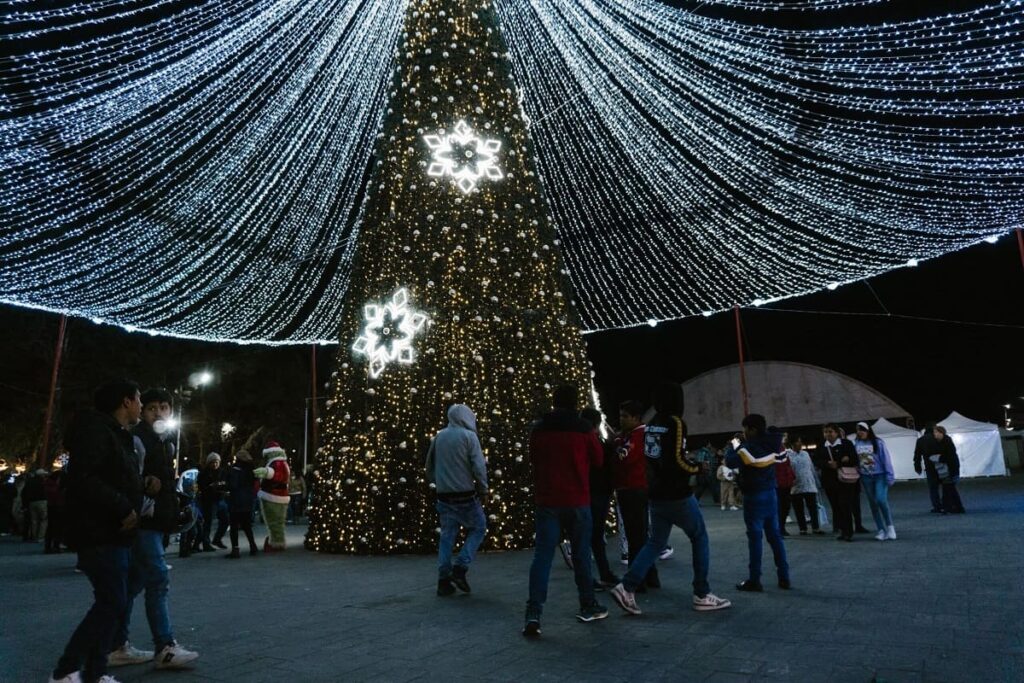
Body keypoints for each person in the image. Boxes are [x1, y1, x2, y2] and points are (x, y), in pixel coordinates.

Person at [49, 380, 143, 683]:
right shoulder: (97, 431)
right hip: (99, 531)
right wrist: (122, 507)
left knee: (115, 599)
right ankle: (66, 669)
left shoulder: (117, 435)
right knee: (112, 601)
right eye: (139, 400)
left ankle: (95, 672)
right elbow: (84, 478)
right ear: (126, 402)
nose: (140, 406)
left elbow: (119, 477)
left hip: (115, 531)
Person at [610, 382, 731, 616]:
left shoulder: (651, 424)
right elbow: (676, 460)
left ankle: (626, 586)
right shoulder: (674, 422)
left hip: (655, 493)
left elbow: (653, 459)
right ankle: (702, 593)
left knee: (655, 542)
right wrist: (697, 468)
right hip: (676, 494)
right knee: (699, 537)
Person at [110, 387, 198, 670]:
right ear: (142, 411)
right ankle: (165, 646)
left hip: (157, 521)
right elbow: (126, 476)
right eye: (151, 408)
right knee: (158, 578)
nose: (158, 413)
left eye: (163, 407)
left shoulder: (166, 443)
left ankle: (116, 645)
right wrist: (144, 487)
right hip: (143, 521)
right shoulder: (138, 439)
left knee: (133, 584)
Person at [523, 384, 608, 637]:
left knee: (543, 557)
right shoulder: (583, 430)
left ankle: (534, 612)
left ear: (554, 401)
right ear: (575, 403)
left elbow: (533, 459)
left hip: (548, 501)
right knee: (582, 556)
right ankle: (587, 604)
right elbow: (599, 460)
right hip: (578, 500)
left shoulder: (539, 429)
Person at [425, 404, 488, 596]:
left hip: (444, 496)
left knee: (447, 535)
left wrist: (438, 481)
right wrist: (483, 488)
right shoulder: (469, 437)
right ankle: (460, 567)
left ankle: (443, 579)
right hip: (465, 494)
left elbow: (429, 465)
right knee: (479, 527)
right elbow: (478, 466)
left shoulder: (439, 436)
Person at [726, 414, 790, 592]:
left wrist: (733, 445)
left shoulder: (749, 447)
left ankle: (755, 579)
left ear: (753, 429)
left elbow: (730, 461)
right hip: (771, 493)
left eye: (746, 428)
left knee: (755, 538)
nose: (744, 432)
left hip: (753, 496)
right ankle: (784, 577)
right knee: (775, 537)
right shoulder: (772, 443)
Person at [612, 400, 658, 591]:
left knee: (635, 537)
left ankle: (636, 580)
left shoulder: (638, 435)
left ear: (636, 418)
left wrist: (615, 444)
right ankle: (650, 577)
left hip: (633, 489)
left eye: (625, 416)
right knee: (640, 535)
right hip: (634, 489)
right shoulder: (633, 434)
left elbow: (624, 458)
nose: (621, 420)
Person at [581, 407, 619, 590]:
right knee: (595, 535)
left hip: (584, 492)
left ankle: (601, 574)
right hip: (599, 492)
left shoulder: (578, 441)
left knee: (590, 535)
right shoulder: (596, 442)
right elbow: (602, 460)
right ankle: (600, 575)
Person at [813, 423, 858, 542]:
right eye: (826, 432)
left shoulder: (846, 444)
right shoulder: (821, 446)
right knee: (836, 507)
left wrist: (839, 463)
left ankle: (848, 532)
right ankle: (842, 530)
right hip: (829, 481)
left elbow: (854, 459)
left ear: (837, 432)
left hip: (845, 480)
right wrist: (827, 464)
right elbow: (816, 461)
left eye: (830, 431)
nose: (828, 434)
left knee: (845, 505)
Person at [853, 422, 896, 541]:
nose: (860, 432)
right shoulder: (856, 443)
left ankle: (890, 527)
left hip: (880, 475)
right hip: (866, 476)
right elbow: (856, 459)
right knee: (873, 503)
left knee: (881, 500)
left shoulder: (878, 442)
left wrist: (890, 475)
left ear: (868, 431)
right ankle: (881, 529)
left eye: (862, 430)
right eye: (858, 430)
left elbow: (886, 459)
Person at [255, 441, 290, 551]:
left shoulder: (277, 463)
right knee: (276, 522)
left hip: (273, 495)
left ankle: (276, 542)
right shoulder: (281, 462)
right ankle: (277, 541)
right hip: (276, 495)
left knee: (274, 521)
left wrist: (266, 472)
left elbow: (277, 475)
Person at [225, 449, 260, 558]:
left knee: (234, 526)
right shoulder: (251, 471)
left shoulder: (235, 470)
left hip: (236, 501)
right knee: (247, 526)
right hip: (248, 501)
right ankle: (252, 546)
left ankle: (235, 549)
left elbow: (233, 485)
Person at [788, 436, 823, 535]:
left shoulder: (806, 454)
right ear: (792, 444)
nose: (799, 444)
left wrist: (817, 482)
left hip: (809, 483)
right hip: (795, 485)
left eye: (800, 442)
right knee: (799, 509)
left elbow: (811, 468)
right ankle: (802, 528)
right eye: (797, 442)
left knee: (813, 507)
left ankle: (815, 527)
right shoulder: (788, 455)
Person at [196, 453, 227, 551]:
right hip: (209, 500)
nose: (215, 464)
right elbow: (202, 487)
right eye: (213, 462)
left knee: (226, 520)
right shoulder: (204, 473)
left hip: (220, 499)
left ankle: (217, 539)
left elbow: (225, 483)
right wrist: (211, 486)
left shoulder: (222, 472)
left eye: (216, 462)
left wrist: (223, 487)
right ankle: (206, 543)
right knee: (208, 522)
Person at [932, 426, 965, 514]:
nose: (934, 434)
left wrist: (938, 458)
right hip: (948, 469)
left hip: (949, 469)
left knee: (948, 489)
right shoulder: (944, 442)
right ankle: (956, 507)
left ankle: (949, 508)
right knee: (950, 489)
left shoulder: (946, 442)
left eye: (935, 432)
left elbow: (949, 456)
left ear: (941, 433)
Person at [913, 424, 944, 513]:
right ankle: (946, 504)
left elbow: (917, 455)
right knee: (946, 486)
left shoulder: (920, 440)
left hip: (930, 467)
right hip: (942, 465)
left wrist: (917, 467)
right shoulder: (938, 438)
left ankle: (937, 506)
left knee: (933, 488)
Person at [44, 468, 67, 553]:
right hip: (57, 506)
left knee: (52, 527)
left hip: (52, 506)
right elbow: (56, 495)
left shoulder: (48, 484)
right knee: (57, 527)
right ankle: (54, 545)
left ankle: (50, 545)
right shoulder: (53, 486)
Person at [774, 446, 796, 537]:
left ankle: (782, 527)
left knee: (786, 506)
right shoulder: (768, 449)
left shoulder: (782, 449)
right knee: (779, 508)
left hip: (786, 483)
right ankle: (779, 529)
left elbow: (788, 465)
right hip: (777, 484)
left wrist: (792, 477)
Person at [692, 441, 719, 506]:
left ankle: (695, 501)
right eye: (709, 444)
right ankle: (717, 501)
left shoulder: (704, 451)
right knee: (712, 487)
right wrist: (707, 468)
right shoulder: (704, 452)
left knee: (703, 488)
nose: (710, 445)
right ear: (707, 445)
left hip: (704, 473)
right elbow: (701, 462)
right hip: (705, 473)